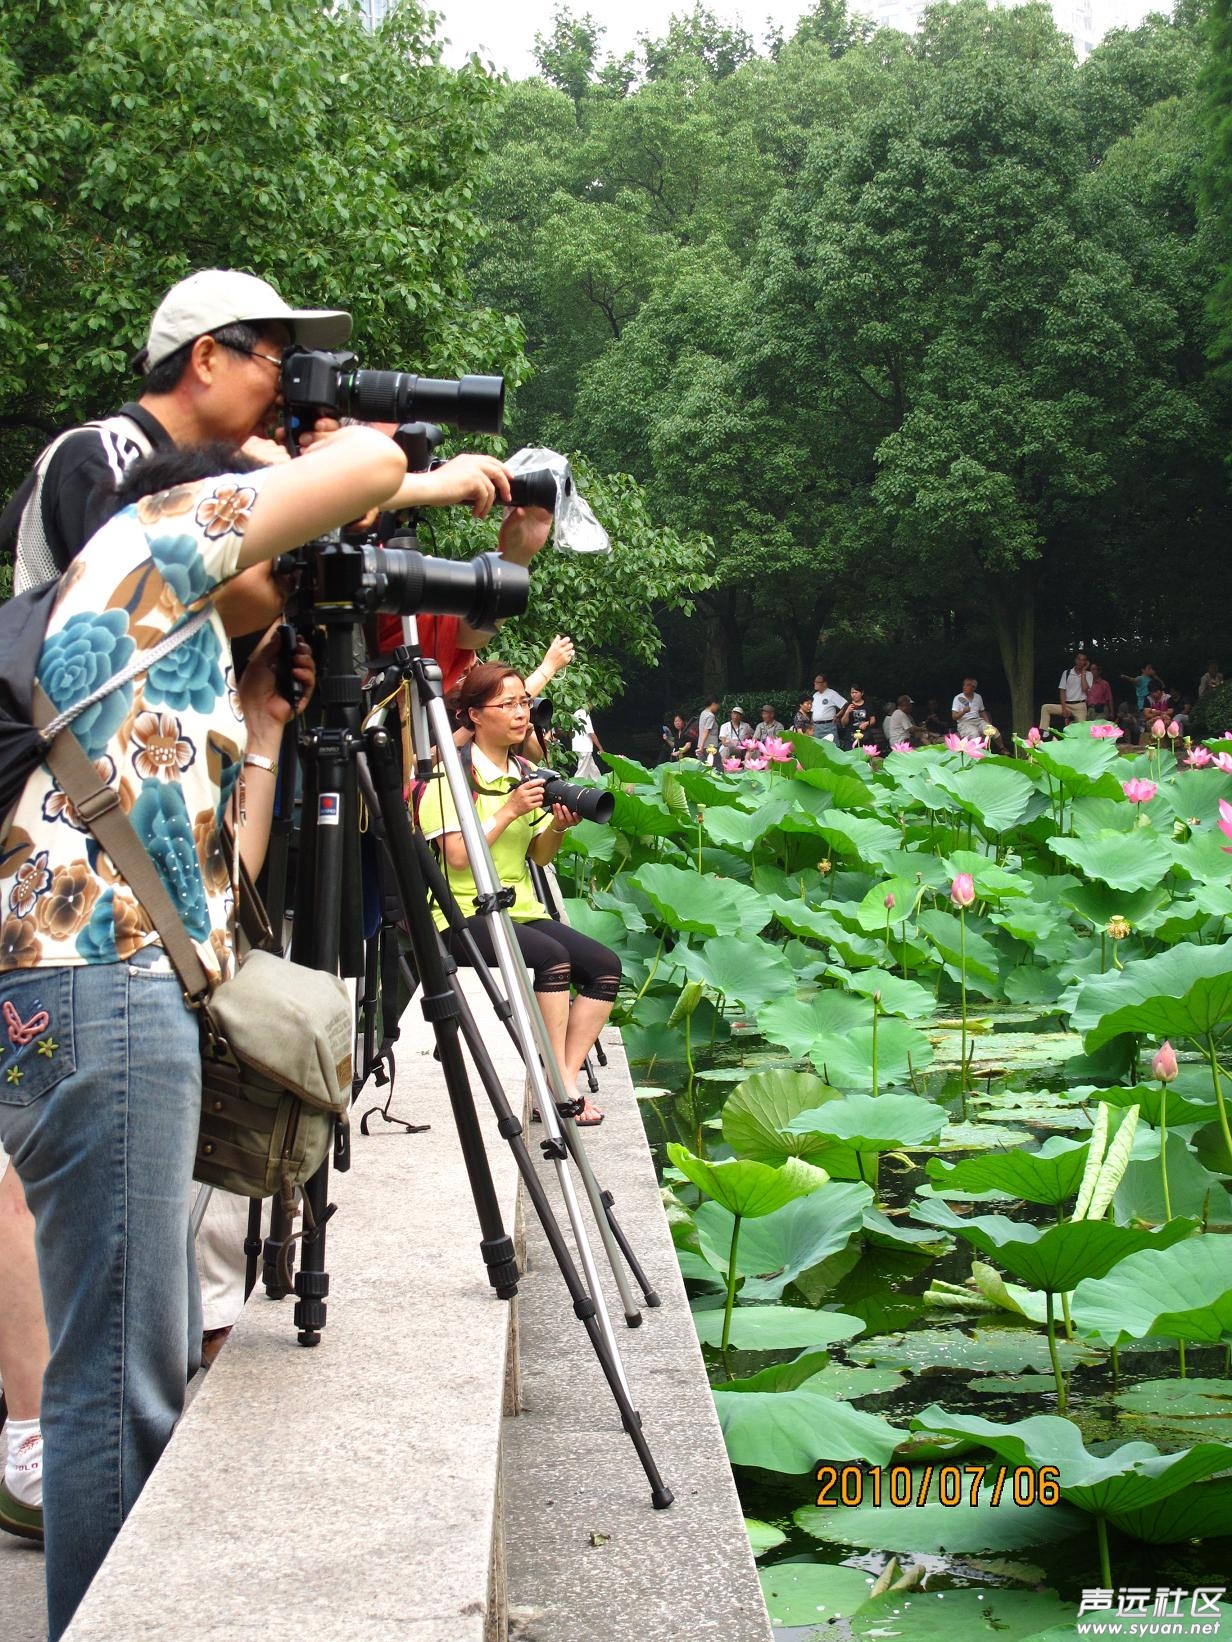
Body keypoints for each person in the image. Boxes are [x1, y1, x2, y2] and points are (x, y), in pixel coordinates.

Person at [0, 424, 406, 1638]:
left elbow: (215, 873)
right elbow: (369, 463)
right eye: (266, 523)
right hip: (100, 985)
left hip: (76, 987)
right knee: (118, 1377)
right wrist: (384, 463)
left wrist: (265, 721)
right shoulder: (143, 541)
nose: (281, 559)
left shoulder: (159, 643)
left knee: (124, 1356)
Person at [422, 664, 621, 1127]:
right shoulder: (448, 774)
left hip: (519, 909)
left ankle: (560, 1080)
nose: (521, 714)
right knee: (553, 958)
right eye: (507, 704)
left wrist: (556, 825)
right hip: (462, 915)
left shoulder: (526, 770)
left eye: (524, 703)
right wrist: (510, 810)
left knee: (605, 967)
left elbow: (539, 854)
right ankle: (559, 1086)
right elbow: (455, 856)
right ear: (473, 714)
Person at [1039, 651, 1092, 733]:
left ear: (1085, 662)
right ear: (1075, 660)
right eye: (1079, 659)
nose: (1080, 662)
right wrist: (1063, 708)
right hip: (1066, 705)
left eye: (1083, 660)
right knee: (1045, 707)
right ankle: (1045, 731)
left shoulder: (1089, 674)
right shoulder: (1067, 673)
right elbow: (1062, 691)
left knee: (1082, 731)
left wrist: (1083, 672)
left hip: (1080, 706)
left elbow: (1084, 688)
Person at [837, 684, 876, 749]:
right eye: (852, 693)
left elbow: (873, 719)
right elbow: (843, 723)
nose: (854, 695)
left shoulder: (868, 705)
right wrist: (847, 712)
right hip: (851, 737)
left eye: (856, 692)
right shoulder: (848, 705)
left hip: (865, 736)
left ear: (862, 693)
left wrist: (867, 723)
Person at [571, 705, 604, 779]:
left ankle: (600, 785)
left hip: (578, 746)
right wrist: (600, 748)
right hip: (585, 747)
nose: (593, 706)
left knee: (593, 770)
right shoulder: (584, 713)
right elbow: (591, 733)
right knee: (581, 772)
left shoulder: (576, 713)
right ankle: (573, 788)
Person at [811, 673, 846, 741]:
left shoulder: (832, 693)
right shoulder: (815, 695)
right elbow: (813, 711)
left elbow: (845, 705)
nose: (815, 683)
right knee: (818, 748)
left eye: (818, 682)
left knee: (831, 747)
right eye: (815, 682)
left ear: (824, 683)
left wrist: (837, 716)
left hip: (828, 726)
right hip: (816, 726)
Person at [696, 695, 721, 763]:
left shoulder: (703, 713)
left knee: (703, 767)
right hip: (711, 746)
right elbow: (706, 730)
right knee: (717, 767)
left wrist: (701, 746)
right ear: (713, 704)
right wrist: (702, 746)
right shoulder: (710, 716)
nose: (718, 707)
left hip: (701, 744)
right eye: (717, 705)